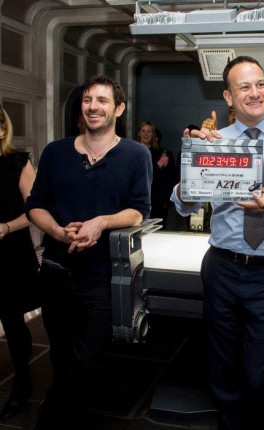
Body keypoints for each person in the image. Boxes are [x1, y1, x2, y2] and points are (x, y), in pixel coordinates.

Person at [171, 56, 264, 429]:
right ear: (228, 97)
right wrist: (192, 166)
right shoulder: (214, 143)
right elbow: (185, 203)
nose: (255, 92)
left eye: (260, 84)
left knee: (258, 377)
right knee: (223, 372)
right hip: (222, 268)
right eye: (244, 87)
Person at [24, 75, 152, 429]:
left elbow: (139, 210)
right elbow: (35, 205)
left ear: (119, 109)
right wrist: (56, 231)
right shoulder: (56, 152)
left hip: (99, 277)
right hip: (54, 271)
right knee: (60, 355)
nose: (93, 107)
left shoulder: (136, 155)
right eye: (87, 100)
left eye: (102, 100)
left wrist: (102, 222)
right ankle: (63, 416)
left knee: (87, 359)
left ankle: (55, 415)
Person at [0, 106, 39, 422]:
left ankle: (22, 384)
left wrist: (5, 227)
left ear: (2, 129)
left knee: (12, 319)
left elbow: (37, 210)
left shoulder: (18, 163)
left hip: (9, 252)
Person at [136, 120, 176, 229]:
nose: (146, 134)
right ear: (139, 133)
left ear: (153, 134)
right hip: (137, 199)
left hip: (157, 201)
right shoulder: (132, 152)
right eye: (143, 131)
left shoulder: (164, 154)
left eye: (149, 131)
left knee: (158, 230)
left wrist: (165, 199)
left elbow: (168, 178)